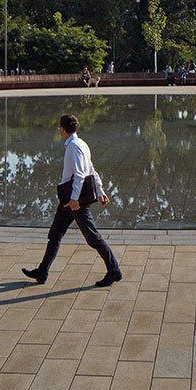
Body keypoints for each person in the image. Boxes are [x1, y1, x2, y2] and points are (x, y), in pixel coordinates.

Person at [23, 114, 122, 288]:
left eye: (59, 128)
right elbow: (92, 169)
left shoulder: (74, 147)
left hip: (73, 200)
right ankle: (42, 271)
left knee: (93, 238)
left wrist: (75, 199)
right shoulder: (81, 143)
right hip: (67, 201)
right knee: (55, 235)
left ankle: (114, 270)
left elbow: (80, 174)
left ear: (62, 129)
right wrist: (100, 191)